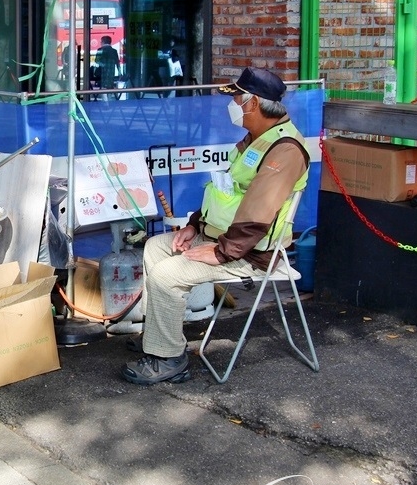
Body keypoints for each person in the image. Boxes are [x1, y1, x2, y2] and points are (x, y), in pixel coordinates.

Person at [121, 67, 309, 385]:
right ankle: (158, 342)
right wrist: (194, 226)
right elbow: (227, 194)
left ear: (255, 103)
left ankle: (169, 360)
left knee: (169, 274)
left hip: (251, 253)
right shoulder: (255, 141)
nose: (232, 105)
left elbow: (259, 213)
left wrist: (221, 252)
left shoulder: (285, 150)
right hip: (223, 239)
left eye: (237, 98)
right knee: (155, 247)